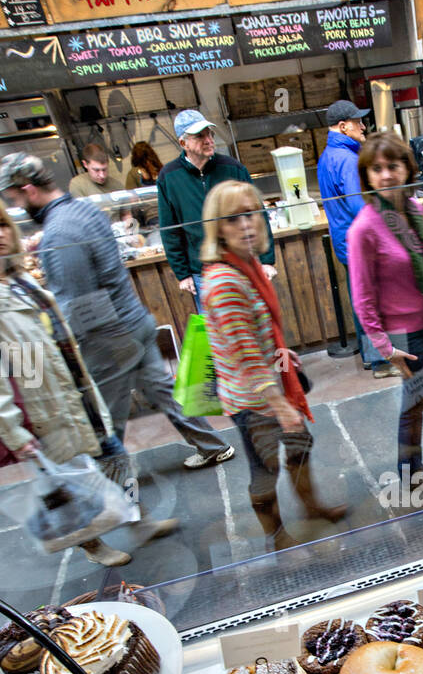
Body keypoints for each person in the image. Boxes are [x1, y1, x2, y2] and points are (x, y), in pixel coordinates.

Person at [0, 152, 233, 472]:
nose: (18, 207)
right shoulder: (82, 210)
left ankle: (116, 493)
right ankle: (213, 446)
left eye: (15, 198)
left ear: (28, 189)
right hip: (133, 321)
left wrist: (67, 346)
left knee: (104, 422)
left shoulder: (59, 232)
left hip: (107, 336)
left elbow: (76, 303)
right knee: (164, 392)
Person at [200, 180, 346, 548]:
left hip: (270, 382)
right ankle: (276, 536)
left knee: (299, 448)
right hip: (253, 399)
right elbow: (246, 357)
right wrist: (280, 406)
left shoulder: (245, 264)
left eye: (251, 214)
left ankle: (312, 508)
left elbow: (258, 333)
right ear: (218, 227)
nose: (247, 225)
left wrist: (282, 354)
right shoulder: (224, 282)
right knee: (265, 468)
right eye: (233, 218)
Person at [0, 202, 142, 567]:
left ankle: (130, 517)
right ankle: (91, 542)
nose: (0, 235)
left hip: (64, 385)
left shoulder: (18, 280)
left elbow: (35, 344)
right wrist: (15, 431)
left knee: (110, 453)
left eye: (1, 225)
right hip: (40, 404)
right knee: (72, 480)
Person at [347, 131, 423, 485]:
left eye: (393, 165)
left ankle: (412, 473)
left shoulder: (414, 210)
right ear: (367, 176)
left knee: (414, 406)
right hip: (405, 335)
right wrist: (385, 348)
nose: (386, 175)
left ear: (407, 168)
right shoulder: (364, 229)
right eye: (377, 168)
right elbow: (362, 297)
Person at [157, 109, 276, 307]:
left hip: (242, 264)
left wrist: (267, 260)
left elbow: (258, 214)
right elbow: (170, 230)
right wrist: (182, 274)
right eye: (200, 136)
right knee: (220, 329)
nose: (208, 140)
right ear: (183, 143)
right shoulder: (169, 177)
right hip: (202, 272)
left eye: (210, 134)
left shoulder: (232, 168)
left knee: (255, 317)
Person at [316, 99, 397, 379]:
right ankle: (382, 363)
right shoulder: (348, 160)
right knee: (373, 303)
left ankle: (371, 357)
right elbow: (359, 206)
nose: (363, 126)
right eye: (358, 122)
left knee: (362, 300)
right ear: (343, 126)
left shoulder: (327, 156)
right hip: (362, 244)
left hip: (346, 243)